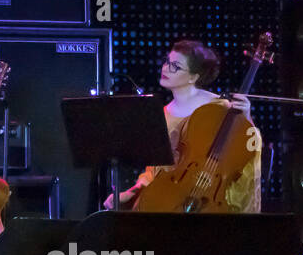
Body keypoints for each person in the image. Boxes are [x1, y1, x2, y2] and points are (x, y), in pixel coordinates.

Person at [104, 40, 261, 211]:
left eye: (175, 66)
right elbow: (155, 171)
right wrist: (131, 191)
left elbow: (249, 146)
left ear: (194, 77)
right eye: (166, 61)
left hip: (213, 194)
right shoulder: (162, 114)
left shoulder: (220, 107)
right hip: (172, 197)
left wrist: (245, 116)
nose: (165, 68)